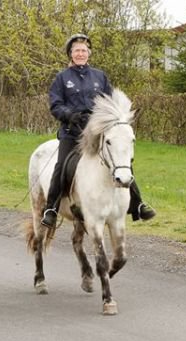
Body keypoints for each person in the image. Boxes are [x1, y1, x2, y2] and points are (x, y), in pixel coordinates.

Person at [41, 34, 156, 228]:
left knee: (121, 161)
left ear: (89, 54)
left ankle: (137, 204)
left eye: (84, 51)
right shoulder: (62, 78)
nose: (80, 54)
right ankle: (51, 209)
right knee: (61, 166)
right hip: (73, 132)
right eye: (76, 50)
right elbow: (55, 105)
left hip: (97, 132)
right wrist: (69, 115)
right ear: (70, 53)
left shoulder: (99, 76)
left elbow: (110, 102)